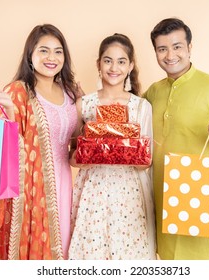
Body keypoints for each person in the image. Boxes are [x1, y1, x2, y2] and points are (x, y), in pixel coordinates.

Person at [143, 17, 209, 260]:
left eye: (177, 46)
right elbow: (129, 120)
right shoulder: (153, 91)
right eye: (162, 49)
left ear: (190, 48)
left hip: (200, 200)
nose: (170, 55)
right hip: (159, 198)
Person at [0, 24, 79, 260]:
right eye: (43, 50)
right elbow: (5, 147)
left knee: (65, 248)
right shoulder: (18, 91)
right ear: (30, 55)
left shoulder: (71, 92)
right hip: (31, 190)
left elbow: (79, 142)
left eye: (58, 51)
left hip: (65, 182)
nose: (51, 58)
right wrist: (5, 112)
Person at [68, 33, 156, 260]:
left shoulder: (141, 106)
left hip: (130, 194)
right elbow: (72, 156)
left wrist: (126, 148)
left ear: (130, 66)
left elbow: (146, 163)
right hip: (93, 192)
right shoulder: (84, 104)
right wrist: (90, 151)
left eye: (121, 61)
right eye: (108, 60)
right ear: (99, 64)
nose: (114, 67)